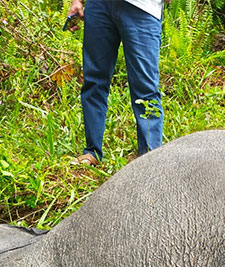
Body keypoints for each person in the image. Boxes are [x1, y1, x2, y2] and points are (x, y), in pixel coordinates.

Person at [67, 0, 165, 165]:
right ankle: (92, 152)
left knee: (145, 88)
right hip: (99, 5)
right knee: (94, 80)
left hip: (143, 8)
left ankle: (150, 161)